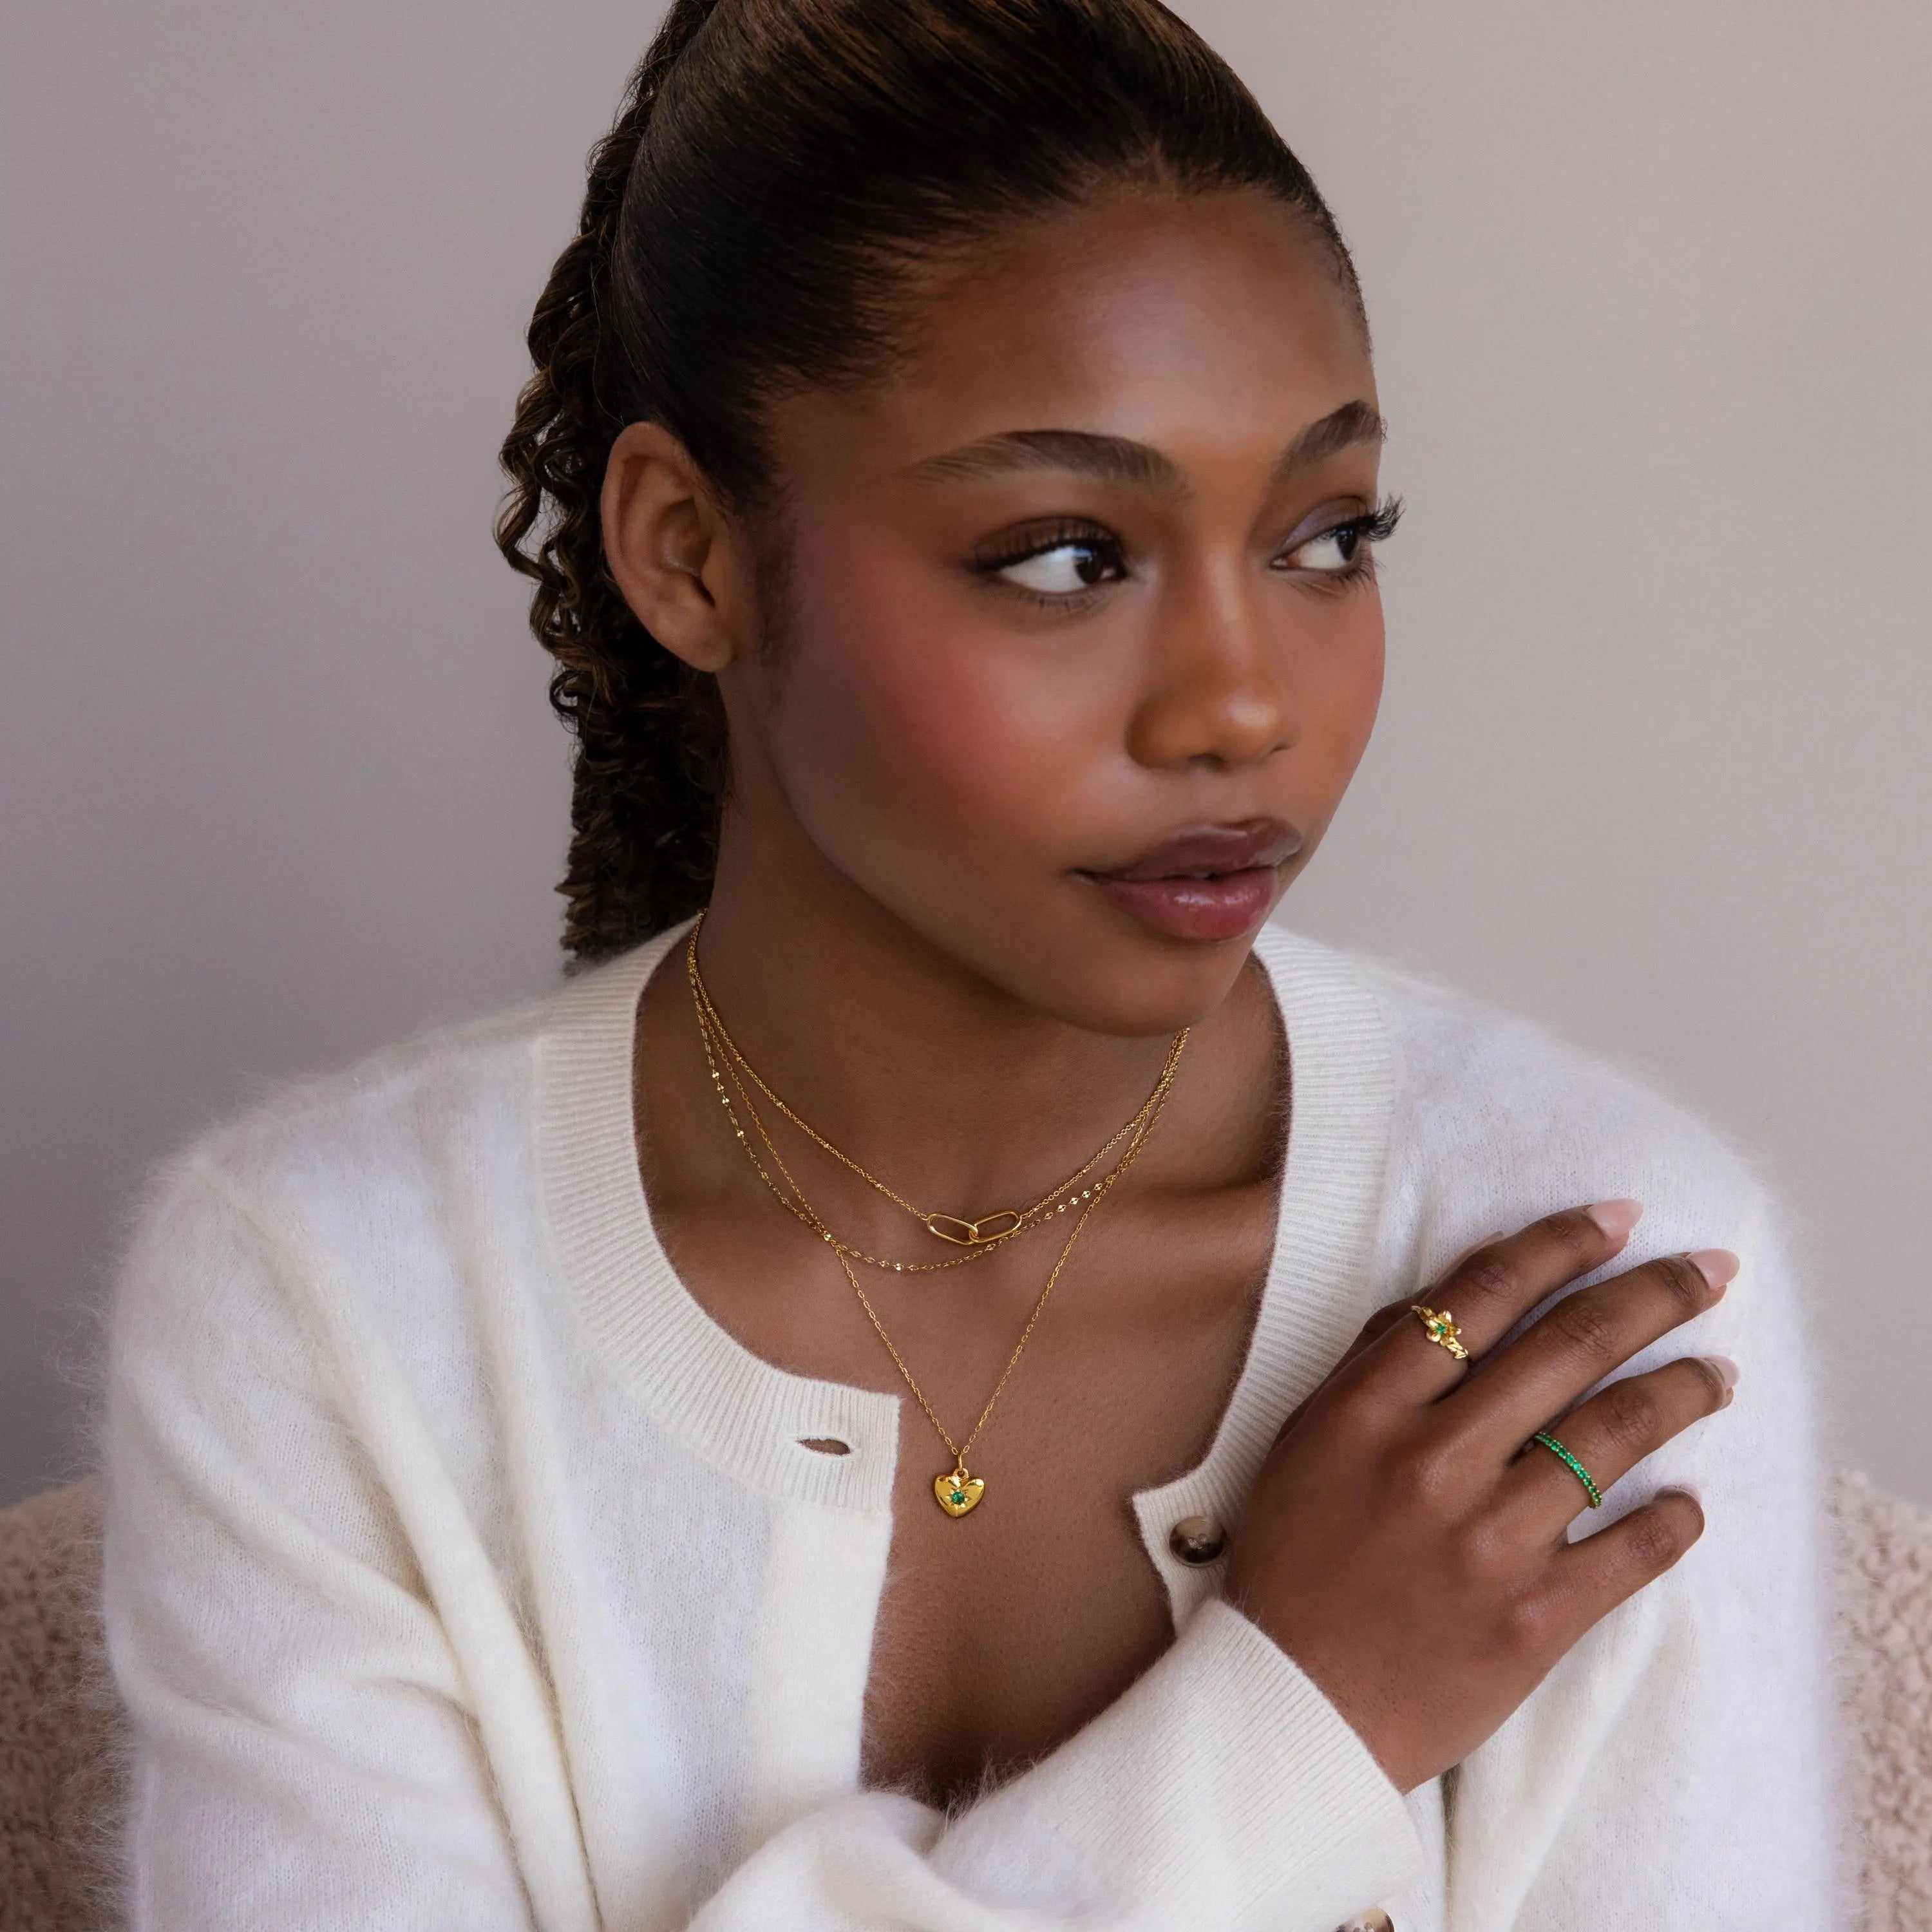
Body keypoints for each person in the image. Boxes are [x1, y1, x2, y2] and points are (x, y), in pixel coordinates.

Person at [99, 0, 1837, 1925]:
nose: (1245, 704)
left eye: (1329, 536)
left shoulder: (1596, 1290)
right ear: (689, 553)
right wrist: (1301, 1724)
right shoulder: (331, 1311)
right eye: (1067, 556)